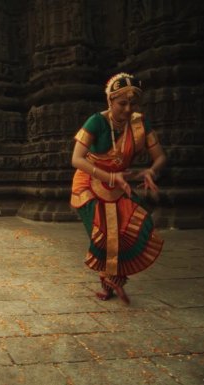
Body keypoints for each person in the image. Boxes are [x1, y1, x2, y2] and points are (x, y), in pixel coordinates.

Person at [70, 73, 167, 304]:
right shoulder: (96, 121)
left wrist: (150, 171)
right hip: (89, 181)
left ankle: (113, 280)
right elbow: (77, 159)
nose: (127, 109)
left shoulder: (140, 124)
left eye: (133, 104)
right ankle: (108, 280)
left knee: (136, 226)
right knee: (103, 233)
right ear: (110, 102)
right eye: (122, 103)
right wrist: (110, 176)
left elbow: (160, 157)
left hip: (118, 183)